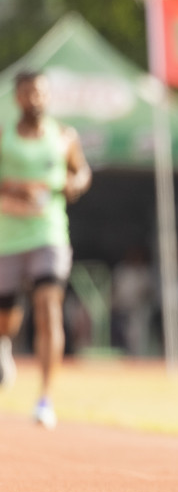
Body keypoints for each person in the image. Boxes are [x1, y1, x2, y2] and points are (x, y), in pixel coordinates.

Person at [0, 70, 92, 428]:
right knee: (6, 318)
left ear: (48, 96)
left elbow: (82, 172)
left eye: (38, 92)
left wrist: (75, 184)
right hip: (8, 237)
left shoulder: (64, 137)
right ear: (16, 98)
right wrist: (15, 190)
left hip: (49, 233)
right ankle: (4, 345)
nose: (33, 99)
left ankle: (45, 398)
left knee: (48, 308)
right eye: (26, 93)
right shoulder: (5, 136)